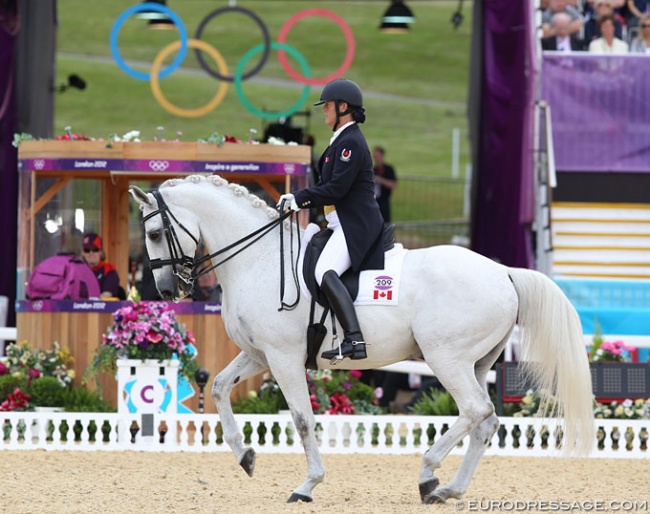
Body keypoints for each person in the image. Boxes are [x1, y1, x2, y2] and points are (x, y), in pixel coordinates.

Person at [277, 78, 385, 362]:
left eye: (327, 105)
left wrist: (299, 197)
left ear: (343, 107)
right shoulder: (341, 141)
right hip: (339, 223)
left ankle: (354, 339)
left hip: (355, 226)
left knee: (324, 270)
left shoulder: (351, 143)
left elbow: (336, 189)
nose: (323, 111)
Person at [81, 232, 122, 299]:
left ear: (101, 252)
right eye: (87, 250)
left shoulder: (109, 271)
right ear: (83, 253)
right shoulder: (79, 271)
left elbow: (107, 294)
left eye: (95, 249)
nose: (91, 253)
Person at [372, 146, 398, 224]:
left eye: (378, 156)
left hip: (384, 200)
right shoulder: (374, 169)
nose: (376, 158)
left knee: (385, 223)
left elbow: (393, 184)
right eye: (375, 156)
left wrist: (380, 180)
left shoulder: (388, 169)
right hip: (374, 200)